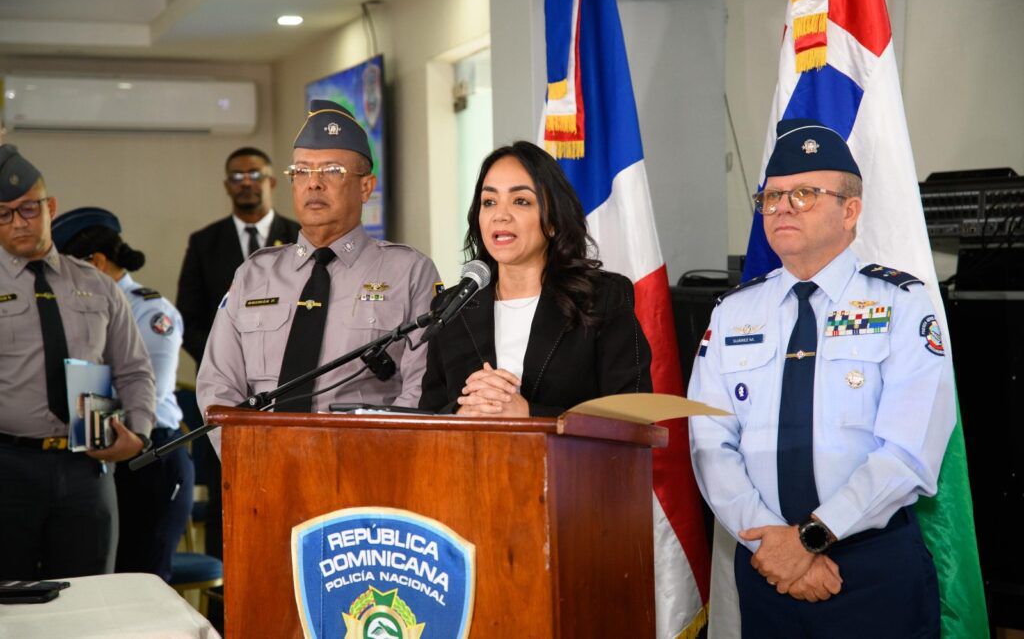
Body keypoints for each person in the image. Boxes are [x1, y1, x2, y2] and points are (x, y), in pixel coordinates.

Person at [688, 119, 954, 637]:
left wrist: (810, 538)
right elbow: (709, 443)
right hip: (766, 565)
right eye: (772, 196)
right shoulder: (733, 313)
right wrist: (774, 546)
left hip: (871, 565)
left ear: (850, 211)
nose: (783, 207)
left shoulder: (901, 304)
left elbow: (908, 451)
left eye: (805, 194)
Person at [197, 99, 441, 434]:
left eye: (332, 171)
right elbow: (218, 385)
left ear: (366, 187)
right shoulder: (254, 274)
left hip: (364, 457)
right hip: (262, 458)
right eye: (301, 171)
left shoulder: (409, 272)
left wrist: (376, 456)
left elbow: (423, 384)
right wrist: (247, 457)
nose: (313, 183)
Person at [0, 145, 156, 580]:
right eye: (4, 214)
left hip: (87, 467)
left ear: (50, 207)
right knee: (9, 603)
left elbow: (134, 369)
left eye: (28, 209)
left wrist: (139, 434)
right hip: (8, 467)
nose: (18, 222)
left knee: (90, 597)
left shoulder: (97, 285)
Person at [418, 141, 652, 417]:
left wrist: (529, 414)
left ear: (552, 221)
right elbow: (428, 417)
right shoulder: (452, 308)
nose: (500, 215)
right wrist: (461, 413)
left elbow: (634, 417)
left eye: (521, 201)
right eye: (489, 202)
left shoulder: (602, 298)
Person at [51, 207, 194, 583]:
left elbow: (147, 391)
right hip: (96, 453)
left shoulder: (150, 310)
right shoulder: (72, 308)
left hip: (151, 455)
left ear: (96, 262)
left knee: (142, 580)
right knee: (98, 581)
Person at [176, 146, 301, 368]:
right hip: (222, 371)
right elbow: (187, 318)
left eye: (255, 174)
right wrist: (223, 359)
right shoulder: (203, 242)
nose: (245, 183)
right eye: (236, 177)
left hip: (289, 369)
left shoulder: (300, 237)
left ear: (271, 182)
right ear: (227, 186)